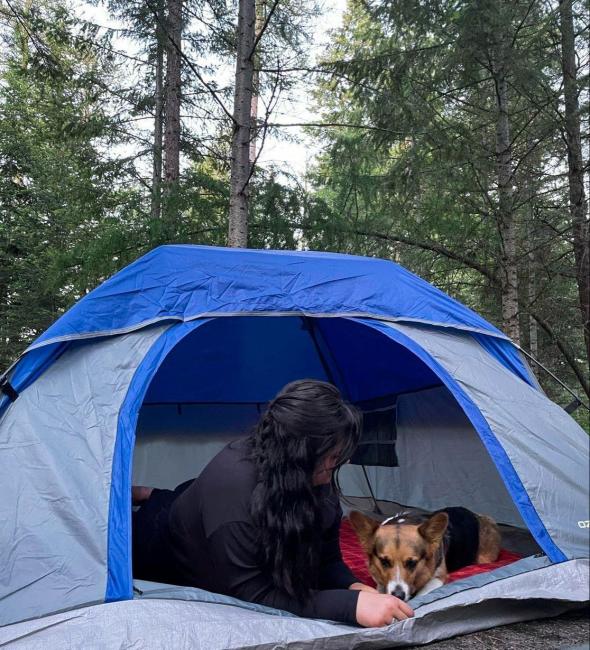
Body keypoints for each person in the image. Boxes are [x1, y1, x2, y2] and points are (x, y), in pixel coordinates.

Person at [131, 379, 414, 627]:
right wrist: (349, 606)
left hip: (201, 502)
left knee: (182, 496)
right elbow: (252, 593)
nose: (342, 462)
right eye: (333, 455)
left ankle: (153, 493)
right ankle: (147, 497)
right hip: (164, 541)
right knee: (146, 521)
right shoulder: (233, 498)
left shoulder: (316, 474)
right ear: (300, 452)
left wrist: (355, 588)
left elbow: (327, 558)